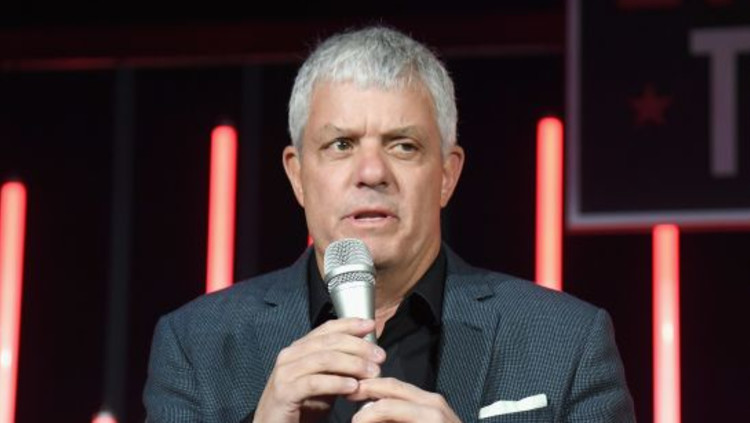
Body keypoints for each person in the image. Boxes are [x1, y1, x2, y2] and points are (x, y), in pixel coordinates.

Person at [143, 26, 636, 422]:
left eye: (403, 145)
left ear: (446, 175)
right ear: (298, 175)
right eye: (341, 145)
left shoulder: (566, 340)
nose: (372, 172)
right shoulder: (197, 345)